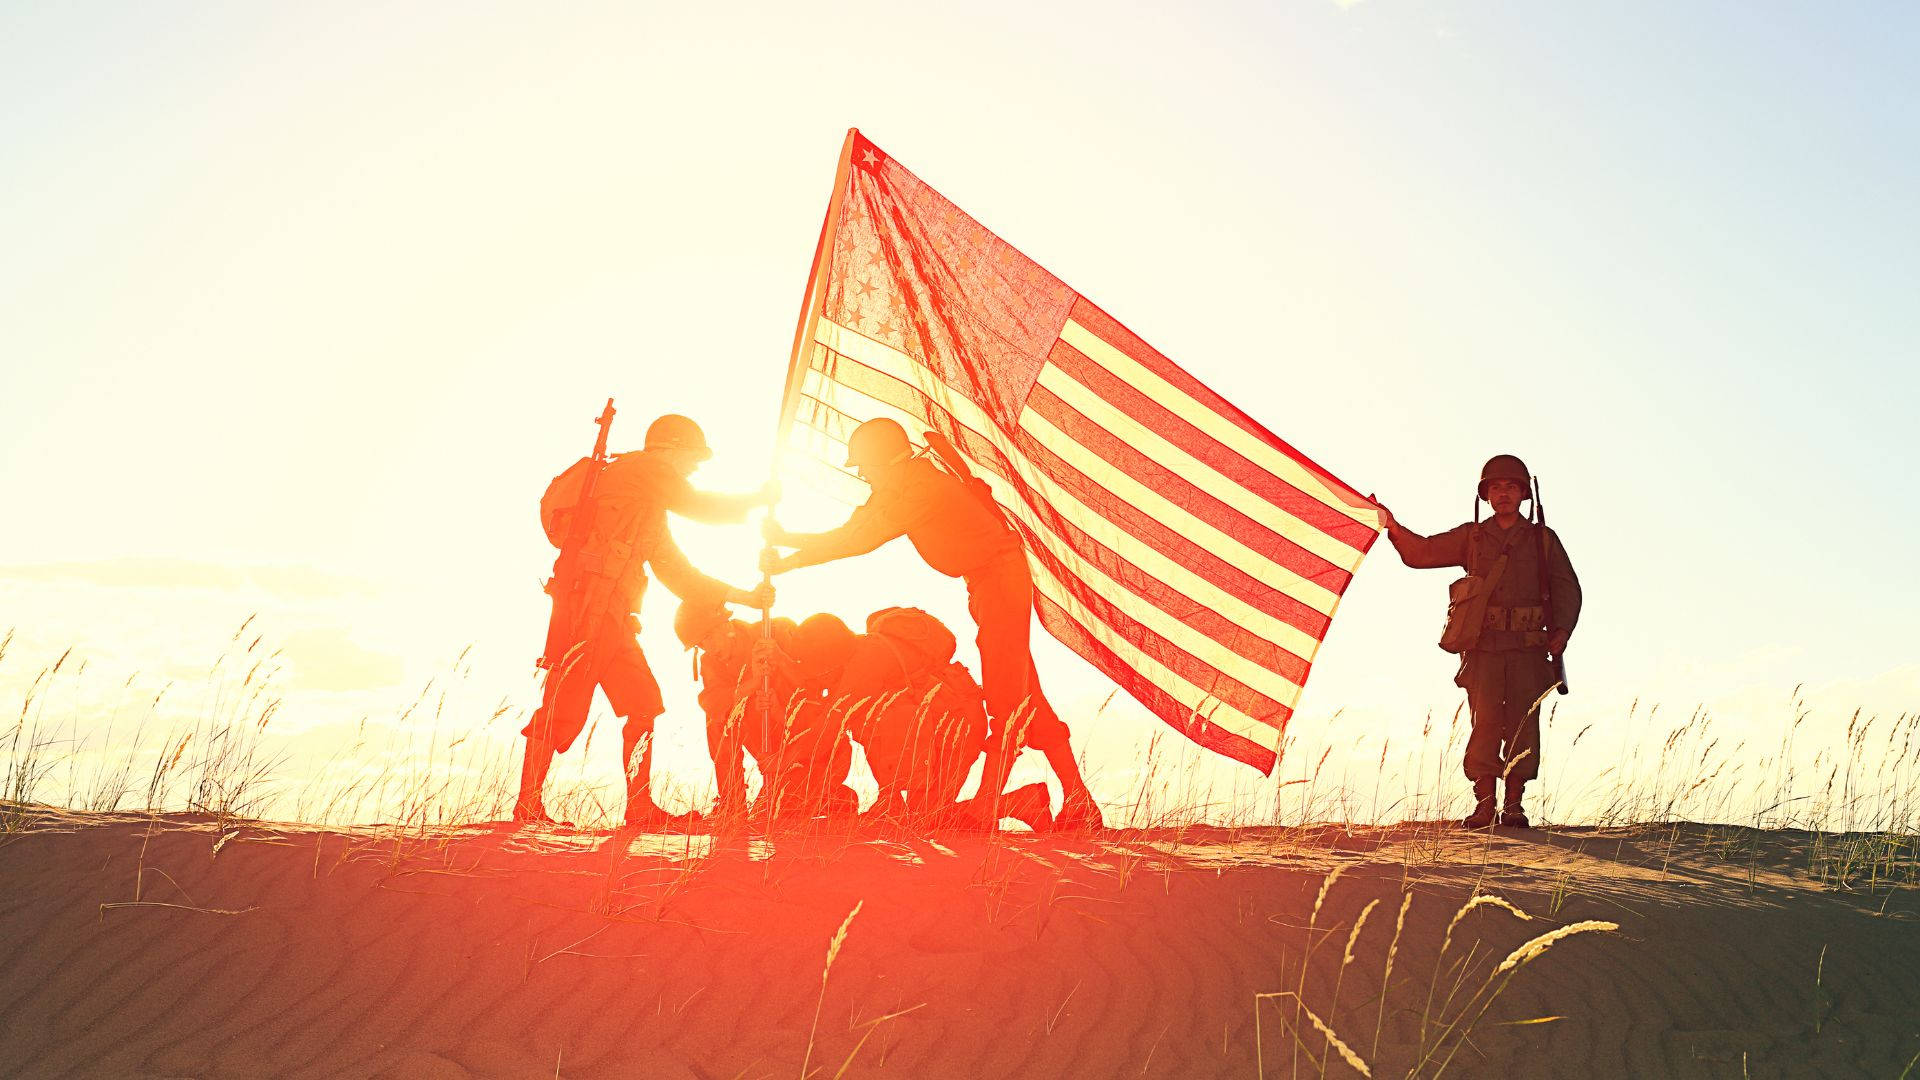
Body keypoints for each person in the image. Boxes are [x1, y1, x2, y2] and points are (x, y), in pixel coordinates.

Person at [760, 418, 1102, 830]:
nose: (863, 475)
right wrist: (788, 539)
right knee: (1026, 696)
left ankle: (987, 804)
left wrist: (790, 558)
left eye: (864, 466)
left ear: (884, 460)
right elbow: (853, 530)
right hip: (989, 584)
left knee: (1007, 700)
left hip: (999, 582)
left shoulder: (918, 488)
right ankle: (1079, 800)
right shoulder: (902, 486)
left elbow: (860, 540)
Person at [518, 413, 773, 829]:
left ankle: (638, 808)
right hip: (589, 612)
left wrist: (743, 596)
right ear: (672, 449)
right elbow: (701, 507)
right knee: (562, 707)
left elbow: (676, 571)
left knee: (642, 704)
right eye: (693, 458)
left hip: (614, 617)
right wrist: (759, 498)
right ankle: (526, 807)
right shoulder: (645, 469)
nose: (694, 468)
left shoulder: (649, 500)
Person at [1375, 454, 1581, 829]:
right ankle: (1485, 805)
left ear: (1523, 494)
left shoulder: (1542, 540)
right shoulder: (1472, 537)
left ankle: (1514, 806)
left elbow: (1568, 588)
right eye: (1496, 487)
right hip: (1483, 648)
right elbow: (1421, 553)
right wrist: (1392, 525)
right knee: (1484, 723)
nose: (1503, 494)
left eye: (1511, 487)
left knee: (1523, 723)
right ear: (1486, 495)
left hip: (1528, 648)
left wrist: (1562, 632)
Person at [790, 606, 1052, 831]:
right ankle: (1019, 803)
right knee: (925, 816)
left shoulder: (867, 661)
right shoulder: (860, 653)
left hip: (954, 728)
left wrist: (782, 762)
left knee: (927, 819)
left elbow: (830, 726)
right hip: (946, 726)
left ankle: (1020, 802)